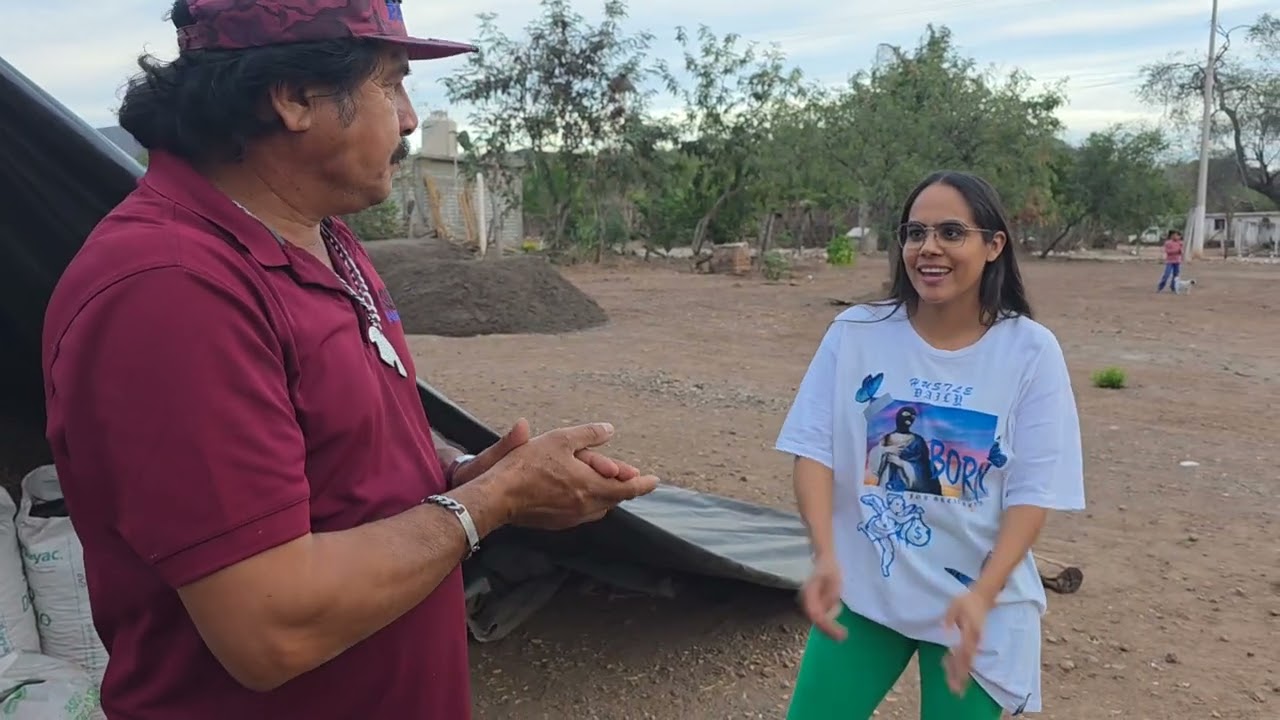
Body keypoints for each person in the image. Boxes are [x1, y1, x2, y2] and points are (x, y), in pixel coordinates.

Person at [39, 1, 658, 718]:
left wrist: (464, 481)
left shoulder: (318, 239)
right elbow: (270, 627)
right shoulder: (172, 290)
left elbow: (337, 479)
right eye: (389, 83)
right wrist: (491, 503)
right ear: (295, 97)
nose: (408, 118)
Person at [775, 170, 1086, 719]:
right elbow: (815, 451)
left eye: (950, 232)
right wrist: (825, 555)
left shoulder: (1030, 352)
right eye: (915, 233)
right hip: (869, 588)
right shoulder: (856, 333)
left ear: (993, 246)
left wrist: (984, 593)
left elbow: (1032, 493)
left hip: (977, 603)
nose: (929, 248)